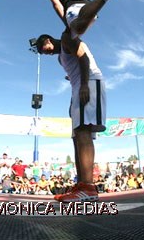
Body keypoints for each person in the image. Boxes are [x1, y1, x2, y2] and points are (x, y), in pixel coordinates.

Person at [36, 29, 106, 202]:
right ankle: (82, 185)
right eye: (45, 53)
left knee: (83, 131)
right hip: (77, 88)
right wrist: (74, 85)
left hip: (89, 82)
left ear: (49, 39)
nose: (48, 52)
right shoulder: (61, 58)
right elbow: (75, 67)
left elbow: (84, 58)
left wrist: (83, 85)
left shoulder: (67, 39)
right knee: (77, 136)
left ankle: (89, 188)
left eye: (46, 48)